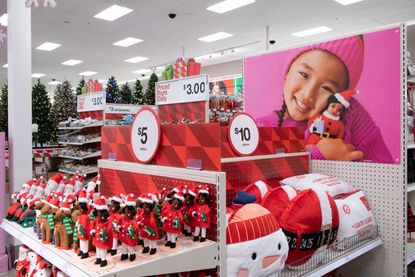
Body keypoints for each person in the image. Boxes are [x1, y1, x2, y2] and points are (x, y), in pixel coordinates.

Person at [257, 35, 393, 163]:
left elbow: (387, 173)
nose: (308, 94)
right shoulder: (260, 128)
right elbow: (262, 178)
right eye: (304, 75)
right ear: (287, 73)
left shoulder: (351, 114)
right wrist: (319, 155)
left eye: (327, 88)